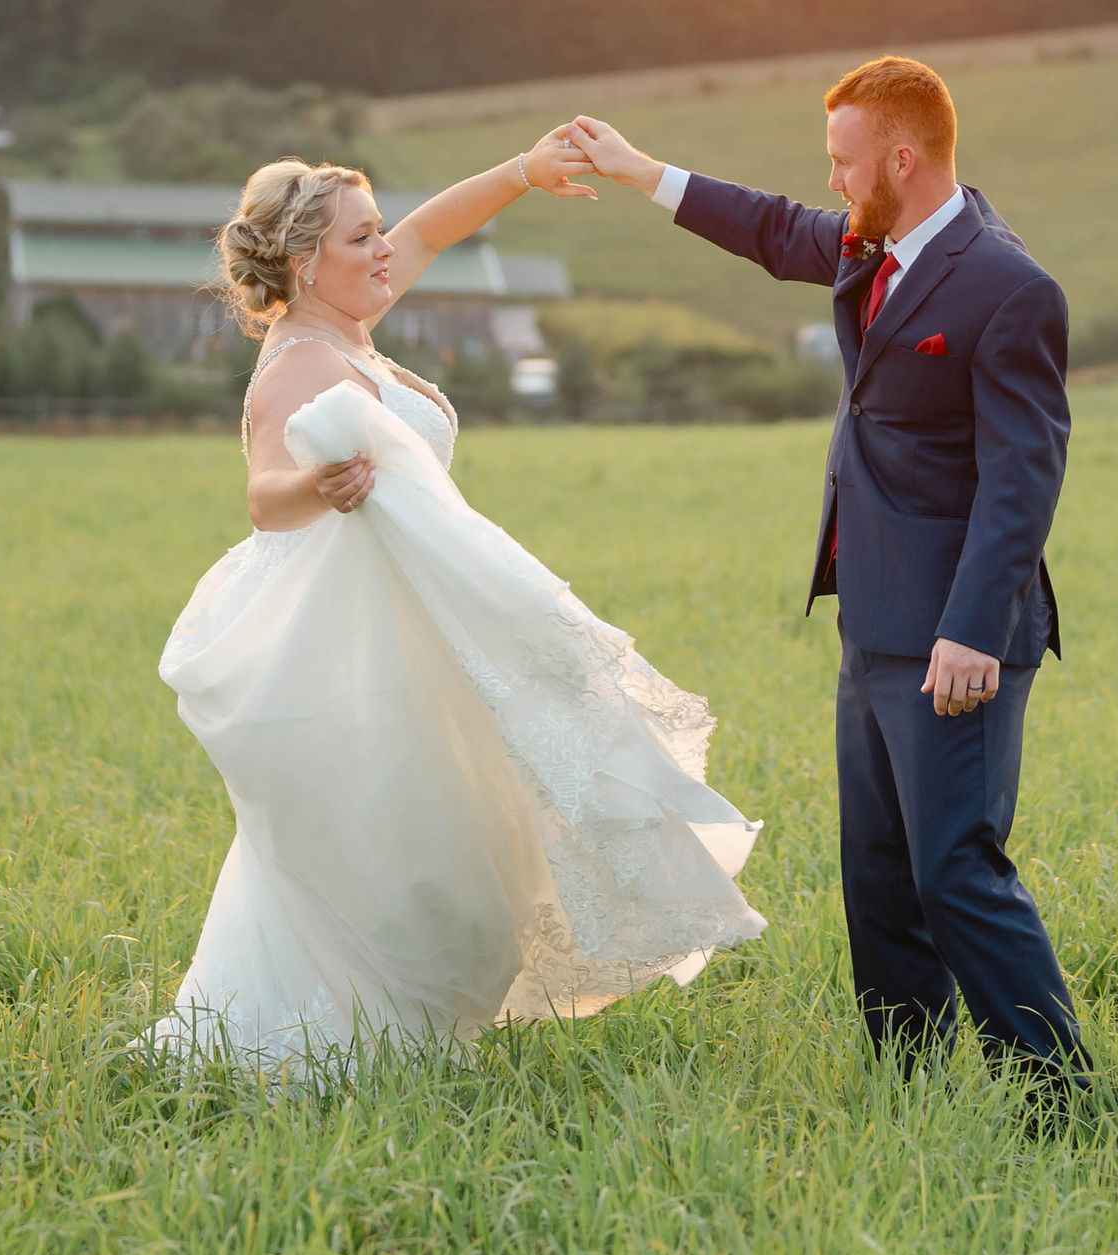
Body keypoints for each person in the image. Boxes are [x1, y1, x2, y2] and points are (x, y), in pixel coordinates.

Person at [151, 143, 764, 1072]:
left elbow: (433, 227)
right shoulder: (296, 362)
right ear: (309, 261)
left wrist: (524, 170)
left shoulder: (350, 325)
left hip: (417, 620)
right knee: (392, 835)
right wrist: (322, 483)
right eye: (364, 236)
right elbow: (264, 495)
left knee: (455, 826)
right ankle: (346, 1034)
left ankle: (416, 1028)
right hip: (356, 637)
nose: (386, 248)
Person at [569, 59, 1087, 1106]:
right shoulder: (872, 241)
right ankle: (909, 1082)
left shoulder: (1007, 286)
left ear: (902, 158)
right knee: (881, 874)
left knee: (956, 869)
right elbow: (768, 227)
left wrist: (972, 629)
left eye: (846, 165)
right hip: (873, 616)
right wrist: (636, 172)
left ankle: (1059, 1096)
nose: (834, 186)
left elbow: (1021, 478)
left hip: (956, 634)